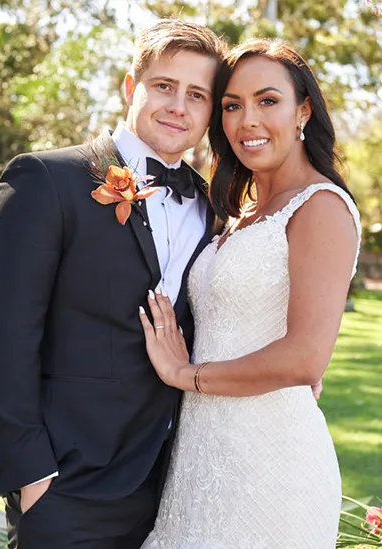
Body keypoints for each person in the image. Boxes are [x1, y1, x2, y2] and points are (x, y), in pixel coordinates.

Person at [0, 19, 228, 548]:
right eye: (164, 86)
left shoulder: (212, 208)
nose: (179, 106)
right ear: (131, 88)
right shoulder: (47, 181)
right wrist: (31, 477)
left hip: (174, 487)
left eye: (197, 95)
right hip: (68, 487)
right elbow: (3, 339)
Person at [139, 38, 358, 548]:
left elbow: (306, 358)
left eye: (268, 101)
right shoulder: (238, 213)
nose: (246, 120)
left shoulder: (320, 207)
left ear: (303, 109)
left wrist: (182, 374)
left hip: (272, 468)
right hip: (200, 461)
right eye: (232, 105)